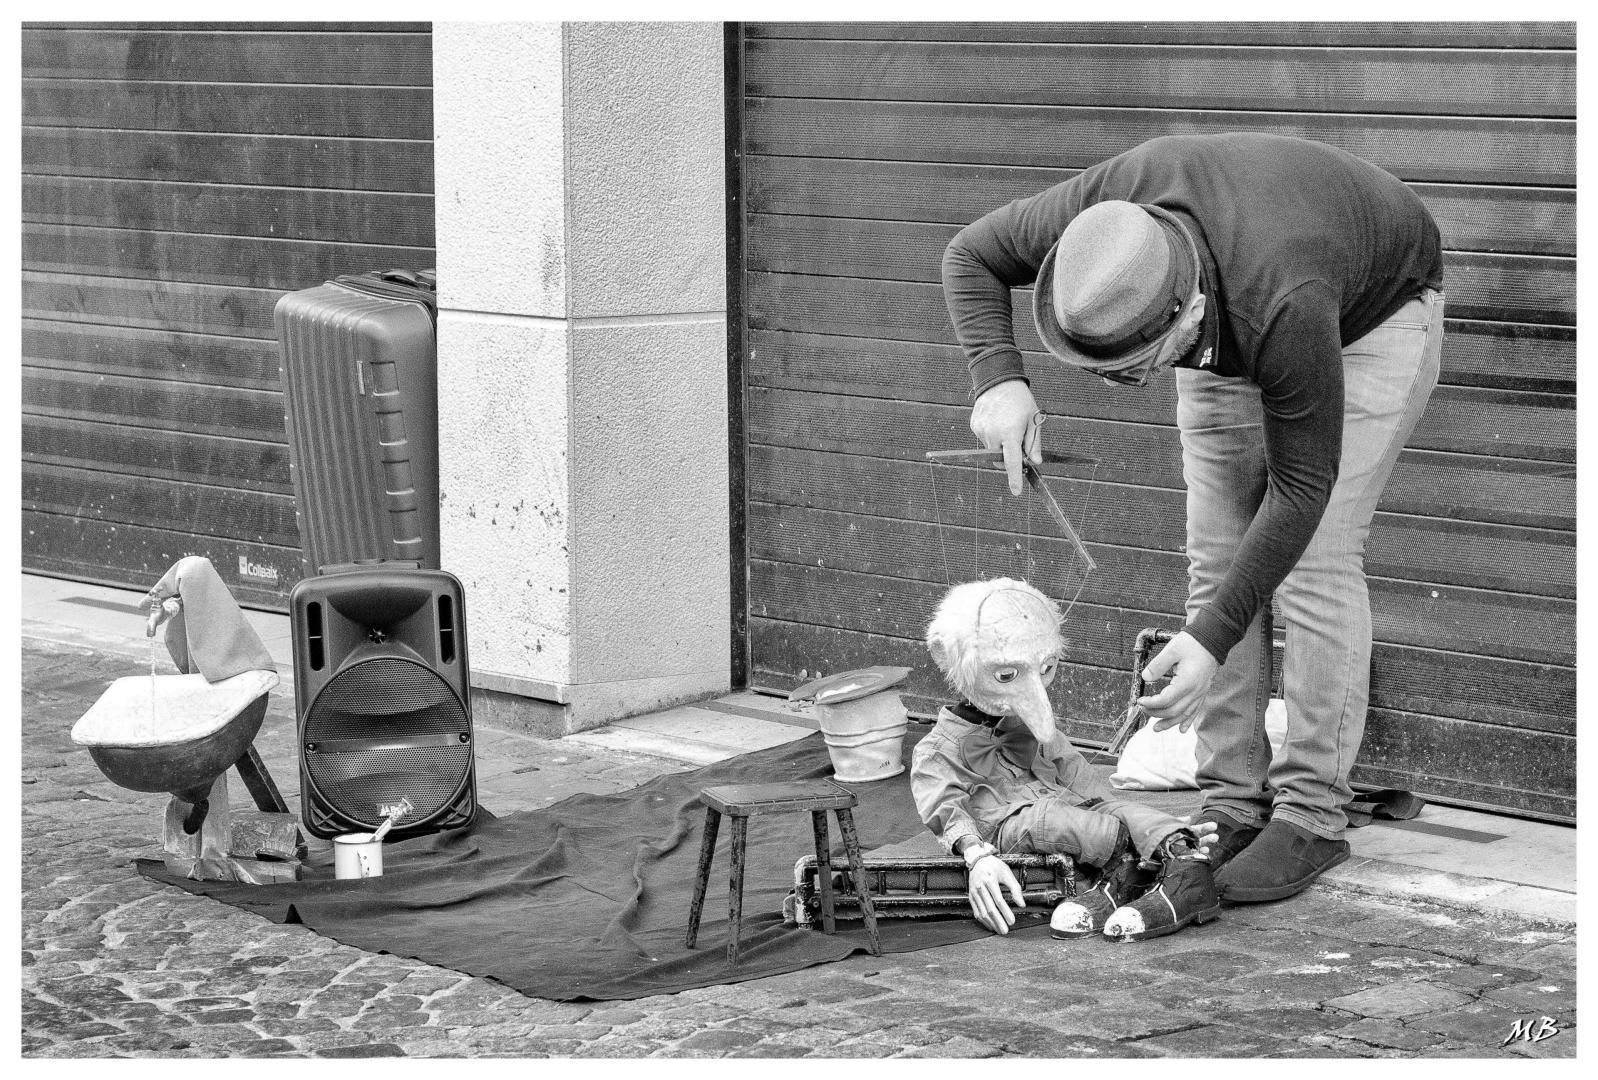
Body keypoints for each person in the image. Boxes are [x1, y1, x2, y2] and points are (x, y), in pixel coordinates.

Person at [940, 132, 1444, 903]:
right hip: (1231, 314)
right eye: (1104, 369)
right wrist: (997, 381)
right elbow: (969, 255)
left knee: (1317, 559)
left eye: (1136, 367)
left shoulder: (1286, 299)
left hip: (1366, 318)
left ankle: (1311, 816)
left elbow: (1302, 491)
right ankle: (1234, 801)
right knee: (1217, 561)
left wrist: (1208, 642)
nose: (1125, 386)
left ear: (1189, 311)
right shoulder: (1111, 226)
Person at [913, 577, 1219, 942]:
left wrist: (1153, 825)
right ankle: (1121, 869)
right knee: (1048, 817)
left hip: (1063, 807)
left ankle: (1183, 861)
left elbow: (1077, 773)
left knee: (1112, 812)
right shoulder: (934, 751)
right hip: (1006, 826)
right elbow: (944, 808)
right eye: (1007, 675)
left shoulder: (1027, 726)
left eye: (1047, 668)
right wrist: (976, 855)